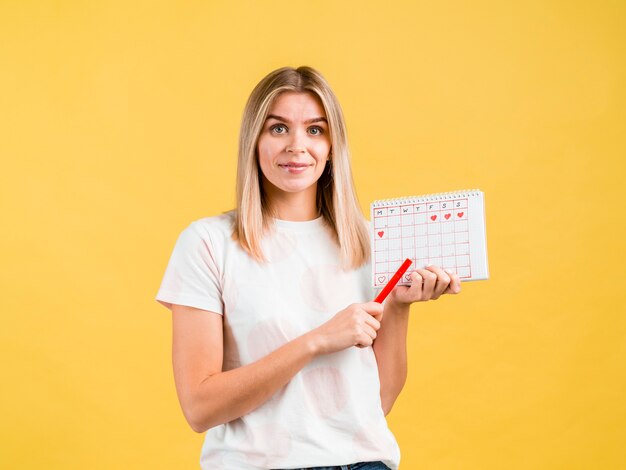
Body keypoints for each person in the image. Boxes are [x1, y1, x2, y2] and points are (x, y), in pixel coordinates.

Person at [155, 66, 461, 470]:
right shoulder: (208, 243)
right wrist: (316, 340)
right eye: (278, 128)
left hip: (365, 463)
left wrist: (400, 307)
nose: (297, 146)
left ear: (333, 145)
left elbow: (377, 403)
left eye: (315, 130)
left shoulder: (371, 243)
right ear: (254, 141)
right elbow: (200, 407)